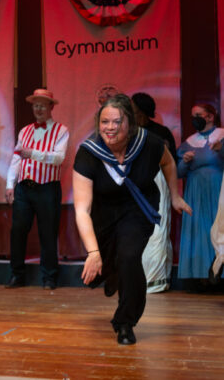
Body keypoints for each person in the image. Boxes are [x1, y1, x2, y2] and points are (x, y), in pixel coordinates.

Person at [73, 94, 191, 345]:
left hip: (138, 206)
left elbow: (168, 162)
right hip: (104, 213)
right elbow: (82, 209)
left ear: (130, 122)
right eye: (105, 122)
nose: (111, 128)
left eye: (117, 121)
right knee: (113, 261)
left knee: (129, 255)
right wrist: (93, 252)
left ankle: (125, 322)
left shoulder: (148, 143)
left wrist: (175, 196)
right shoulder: (88, 153)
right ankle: (114, 271)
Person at [5, 89, 69, 290]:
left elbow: (58, 158)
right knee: (18, 232)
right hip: (24, 187)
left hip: (47, 188)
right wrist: (10, 184)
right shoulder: (24, 131)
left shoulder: (61, 131)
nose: (38, 108)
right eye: (35, 105)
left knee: (48, 233)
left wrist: (32, 153)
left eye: (42, 105)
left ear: (51, 107)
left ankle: (49, 277)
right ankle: (17, 275)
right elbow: (16, 158)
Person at [131, 93, 176, 293]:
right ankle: (138, 279)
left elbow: (171, 162)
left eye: (133, 106)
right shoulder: (129, 132)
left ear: (141, 109)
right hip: (134, 182)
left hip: (157, 181)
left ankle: (156, 281)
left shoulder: (161, 132)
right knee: (136, 231)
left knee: (158, 231)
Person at [176, 104, 224, 286]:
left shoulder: (221, 135)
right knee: (200, 230)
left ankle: (220, 274)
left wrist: (222, 150)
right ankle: (201, 276)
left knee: (220, 228)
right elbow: (179, 173)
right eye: (192, 115)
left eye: (198, 115)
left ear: (210, 117)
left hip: (219, 188)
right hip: (196, 192)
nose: (195, 118)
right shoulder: (189, 141)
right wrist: (185, 162)